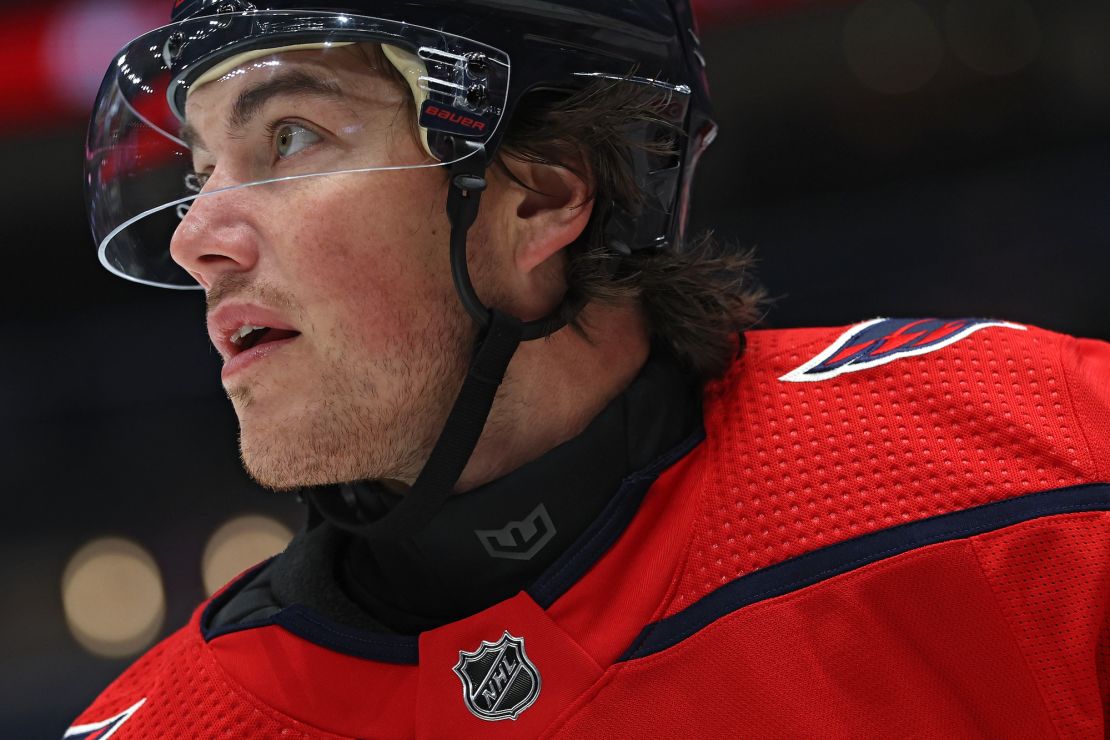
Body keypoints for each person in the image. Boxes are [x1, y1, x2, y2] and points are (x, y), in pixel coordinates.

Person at [70, 0, 1109, 737]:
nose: (195, 234)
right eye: (200, 171)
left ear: (543, 195)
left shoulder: (1040, 476)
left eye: (290, 135)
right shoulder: (169, 723)